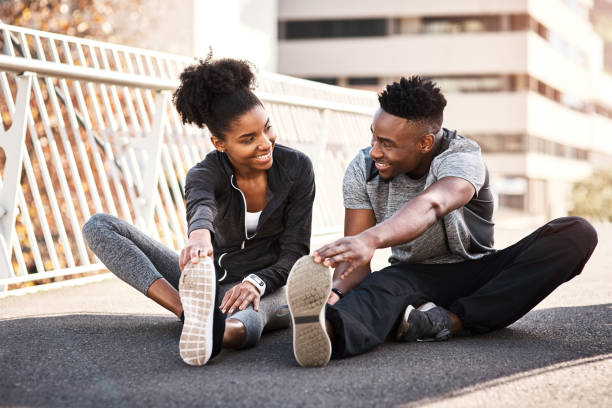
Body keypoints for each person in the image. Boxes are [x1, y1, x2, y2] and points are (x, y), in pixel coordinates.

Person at [285, 76, 598, 367]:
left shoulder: (462, 156)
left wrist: (371, 239)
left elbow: (433, 204)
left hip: (478, 273)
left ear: (424, 143)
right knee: (381, 287)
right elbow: (355, 264)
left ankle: (447, 321)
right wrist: (336, 292)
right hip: (413, 276)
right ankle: (327, 330)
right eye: (374, 137)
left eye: (388, 143)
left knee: (576, 234)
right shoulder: (362, 169)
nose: (375, 151)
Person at [82, 56, 315, 366]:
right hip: (211, 283)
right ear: (220, 143)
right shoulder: (204, 172)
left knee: (258, 311)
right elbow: (200, 204)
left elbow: (296, 250)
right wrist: (199, 235)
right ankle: (190, 313)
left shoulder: (297, 168)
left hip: (271, 283)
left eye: (266, 128)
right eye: (248, 139)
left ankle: (221, 332)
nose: (265, 144)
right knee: (99, 226)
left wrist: (255, 282)